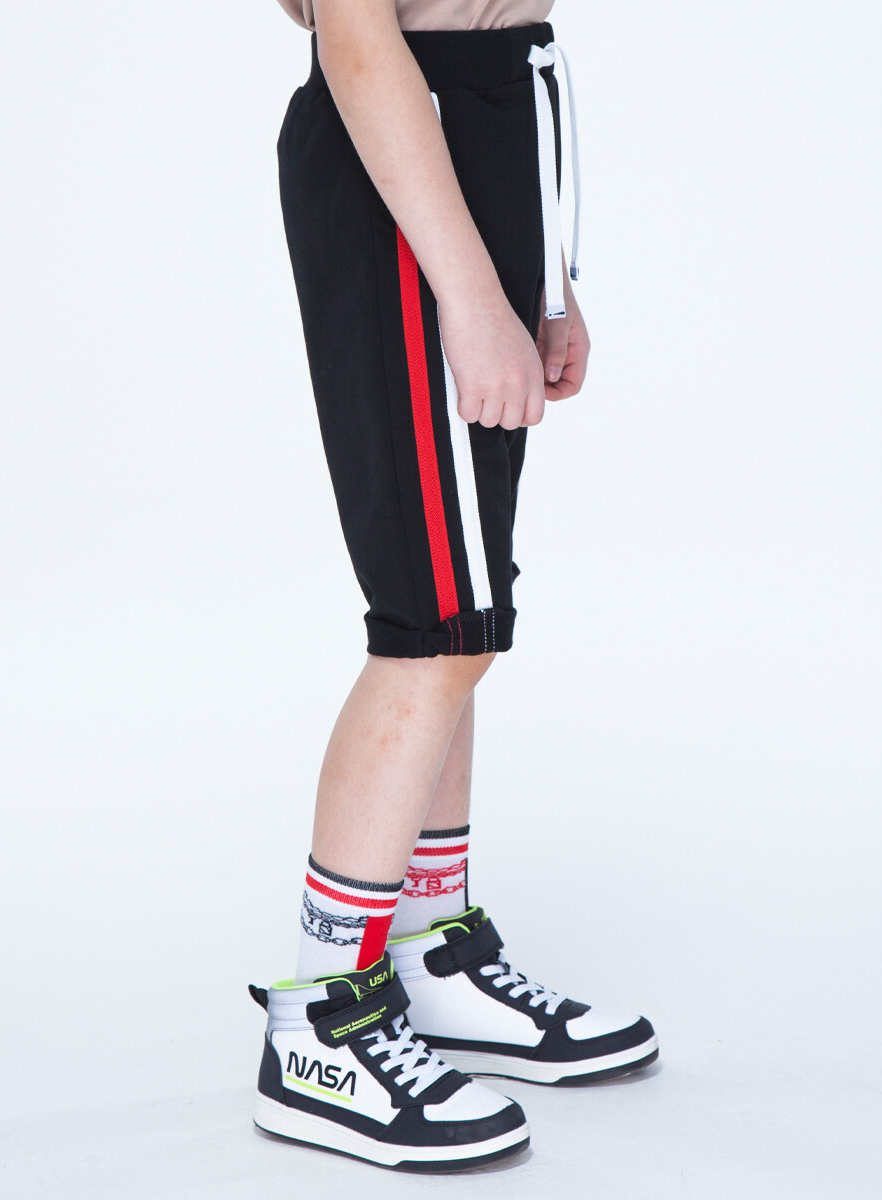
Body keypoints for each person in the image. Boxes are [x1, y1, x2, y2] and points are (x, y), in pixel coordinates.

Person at [247, 0, 658, 1171]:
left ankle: (429, 953)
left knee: (462, 614)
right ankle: (322, 1020)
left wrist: (546, 278)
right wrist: (471, 297)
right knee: (428, 626)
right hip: (405, 158)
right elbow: (353, 35)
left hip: (483, 132)